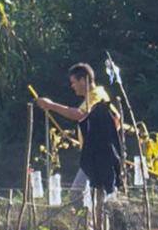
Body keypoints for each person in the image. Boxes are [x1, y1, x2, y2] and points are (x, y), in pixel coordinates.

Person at [34, 63, 123, 201]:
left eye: (74, 82)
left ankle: (91, 222)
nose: (72, 86)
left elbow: (80, 115)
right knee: (94, 195)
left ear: (84, 80)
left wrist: (51, 106)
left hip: (98, 155)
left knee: (78, 194)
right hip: (95, 153)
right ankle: (95, 221)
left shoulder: (97, 95)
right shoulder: (93, 97)